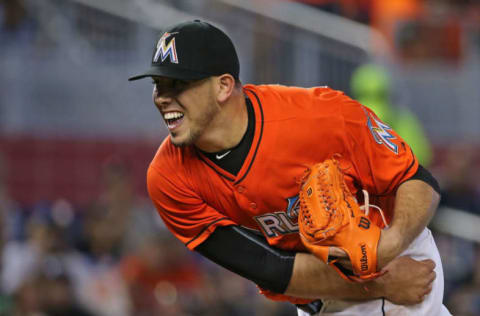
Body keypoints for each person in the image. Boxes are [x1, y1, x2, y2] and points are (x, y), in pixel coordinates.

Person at [128, 20, 450, 315]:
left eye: (178, 85)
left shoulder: (317, 116)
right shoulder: (168, 179)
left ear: (224, 86)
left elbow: (418, 180)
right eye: (159, 84)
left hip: (396, 257)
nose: (162, 98)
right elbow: (267, 268)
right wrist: (378, 285)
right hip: (318, 289)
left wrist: (388, 248)